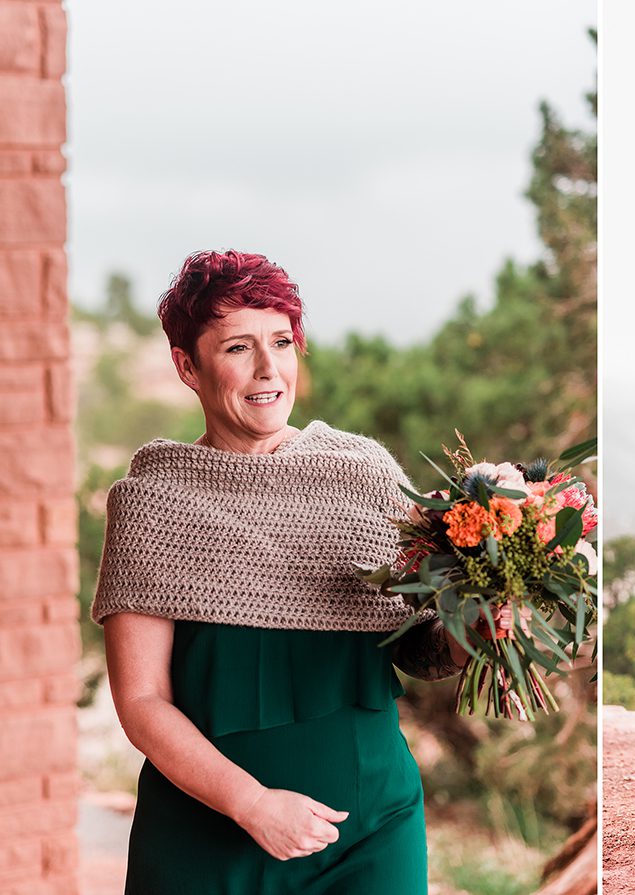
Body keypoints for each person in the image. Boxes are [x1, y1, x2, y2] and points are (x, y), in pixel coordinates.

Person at [91, 249, 488, 894]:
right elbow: (141, 702)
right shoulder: (151, 503)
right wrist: (252, 804)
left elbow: (422, 647)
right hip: (209, 839)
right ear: (187, 366)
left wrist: (486, 614)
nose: (269, 369)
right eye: (238, 348)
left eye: (282, 341)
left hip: (372, 831)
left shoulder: (363, 474)